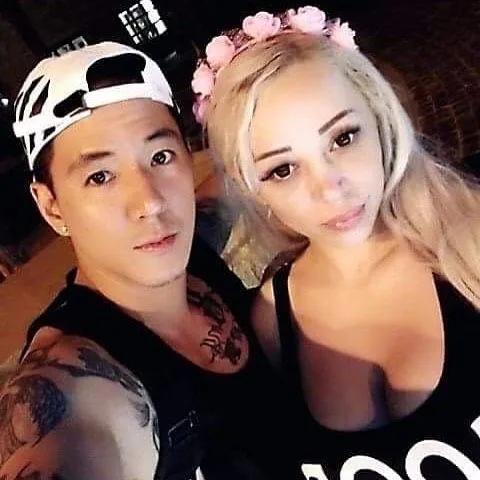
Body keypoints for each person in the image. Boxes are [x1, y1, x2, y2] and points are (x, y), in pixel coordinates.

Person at [193, 6, 480, 479]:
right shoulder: (268, 323)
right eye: (283, 169)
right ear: (254, 191)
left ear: (380, 119)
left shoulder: (471, 242)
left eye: (343, 138)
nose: (329, 189)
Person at [0, 41, 275, 480]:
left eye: (160, 157)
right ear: (52, 207)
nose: (149, 201)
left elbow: (234, 181)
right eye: (100, 176)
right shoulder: (74, 382)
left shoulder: (193, 250)